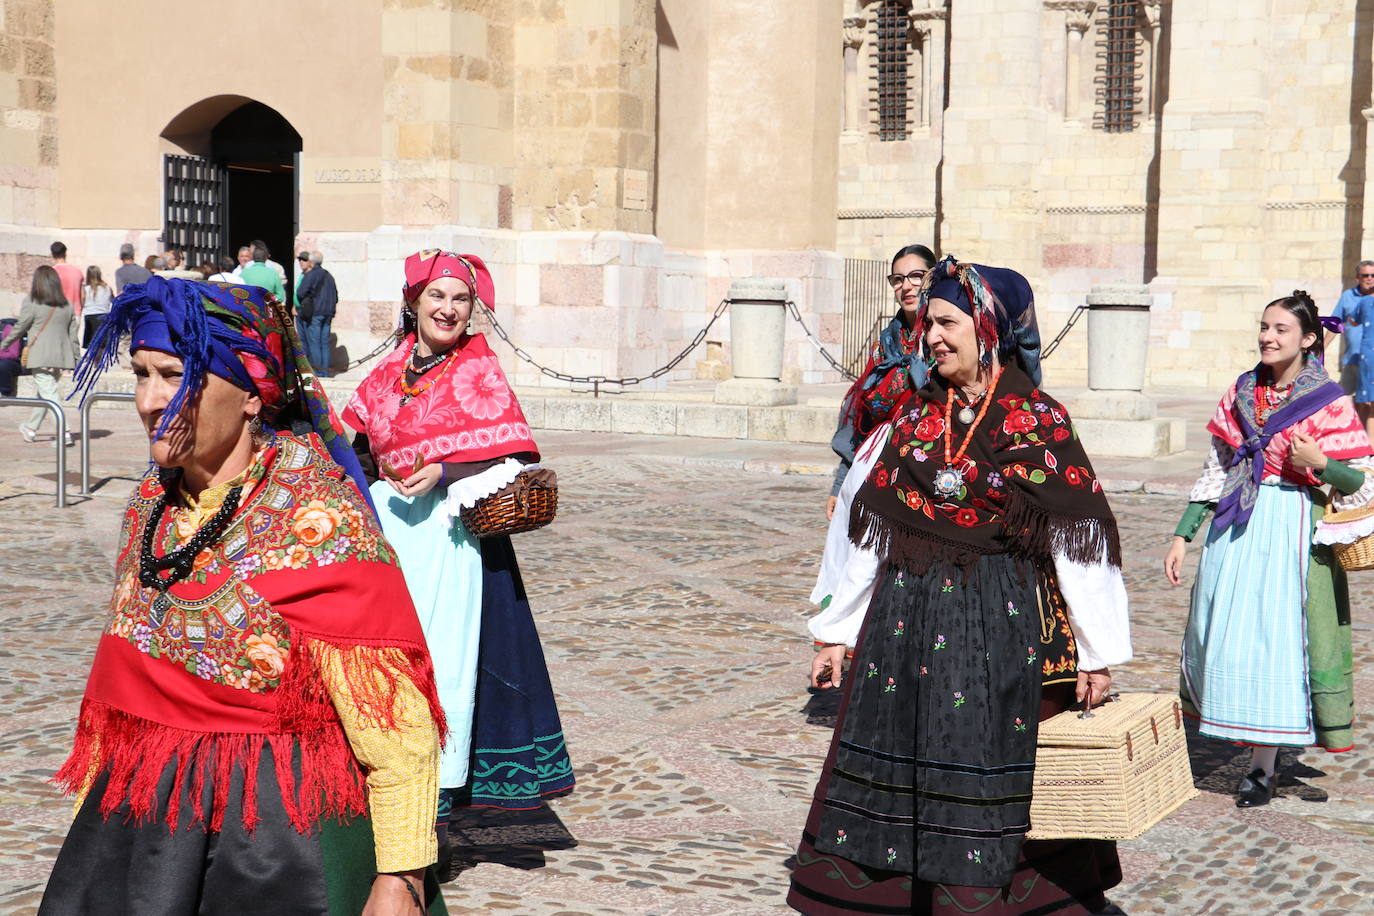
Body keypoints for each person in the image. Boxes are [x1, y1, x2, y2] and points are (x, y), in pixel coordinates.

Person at [41, 276, 449, 915]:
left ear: (253, 395)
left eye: (176, 376)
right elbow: (124, 681)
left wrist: (402, 876)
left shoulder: (319, 521)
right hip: (147, 831)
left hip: (276, 845)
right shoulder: (152, 508)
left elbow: (396, 728)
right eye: (141, 374)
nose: (151, 401)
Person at [789, 256, 1132, 916]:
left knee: (980, 762)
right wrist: (832, 631)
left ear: (987, 329)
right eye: (928, 325)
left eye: (947, 323)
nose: (932, 337)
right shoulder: (917, 417)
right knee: (903, 762)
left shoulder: (1037, 419)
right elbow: (871, 533)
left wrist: (1097, 651)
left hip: (997, 627)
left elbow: (1080, 546)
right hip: (903, 623)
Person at [343, 249, 576, 879]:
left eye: (461, 299)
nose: (448, 309)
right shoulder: (390, 369)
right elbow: (355, 445)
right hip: (390, 542)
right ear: (413, 302)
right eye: (437, 296)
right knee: (381, 663)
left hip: (452, 545)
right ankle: (379, 800)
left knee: (442, 667)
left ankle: (431, 817)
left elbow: (515, 452)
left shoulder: (480, 367)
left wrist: (445, 470)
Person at [1164, 291, 1371, 808]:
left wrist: (1320, 461)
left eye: (1280, 330)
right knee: (1229, 633)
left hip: (1291, 528)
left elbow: (1362, 483)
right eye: (1264, 327)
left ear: (1306, 340)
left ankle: (1261, 766)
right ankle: (1238, 725)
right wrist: (1183, 534)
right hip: (1236, 527)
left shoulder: (1329, 401)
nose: (1267, 337)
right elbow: (1216, 468)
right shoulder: (1239, 392)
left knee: (1278, 640)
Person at [826, 244, 937, 521]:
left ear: (933, 278)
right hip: (887, 469)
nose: (906, 286)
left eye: (916, 276)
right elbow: (862, 420)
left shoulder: (947, 334)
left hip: (937, 469)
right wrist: (840, 484)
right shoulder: (886, 344)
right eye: (898, 279)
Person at [1, 265, 80, 446]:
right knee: (44, 394)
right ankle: (30, 428)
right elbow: (73, 335)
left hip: (41, 355)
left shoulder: (32, 302)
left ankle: (64, 431)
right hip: (61, 357)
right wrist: (76, 357)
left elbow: (20, 327)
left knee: (49, 394)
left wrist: (4, 345)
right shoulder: (66, 304)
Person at [296, 250, 339, 377]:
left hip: (316, 313)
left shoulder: (311, 275)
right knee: (324, 343)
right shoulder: (329, 275)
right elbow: (335, 296)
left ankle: (319, 372)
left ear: (311, 262)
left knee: (315, 343)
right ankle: (324, 372)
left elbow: (300, 292)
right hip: (328, 313)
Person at [80, 265, 113, 348]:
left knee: (92, 347)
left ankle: (95, 361)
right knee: (102, 346)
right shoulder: (108, 288)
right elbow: (113, 300)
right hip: (104, 316)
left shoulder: (85, 289)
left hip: (90, 317)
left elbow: (82, 303)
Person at [50, 241, 85, 318]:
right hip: (75, 313)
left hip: (58, 313)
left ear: (52, 255)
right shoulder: (77, 272)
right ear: (65, 253)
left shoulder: (51, 273)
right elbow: (82, 296)